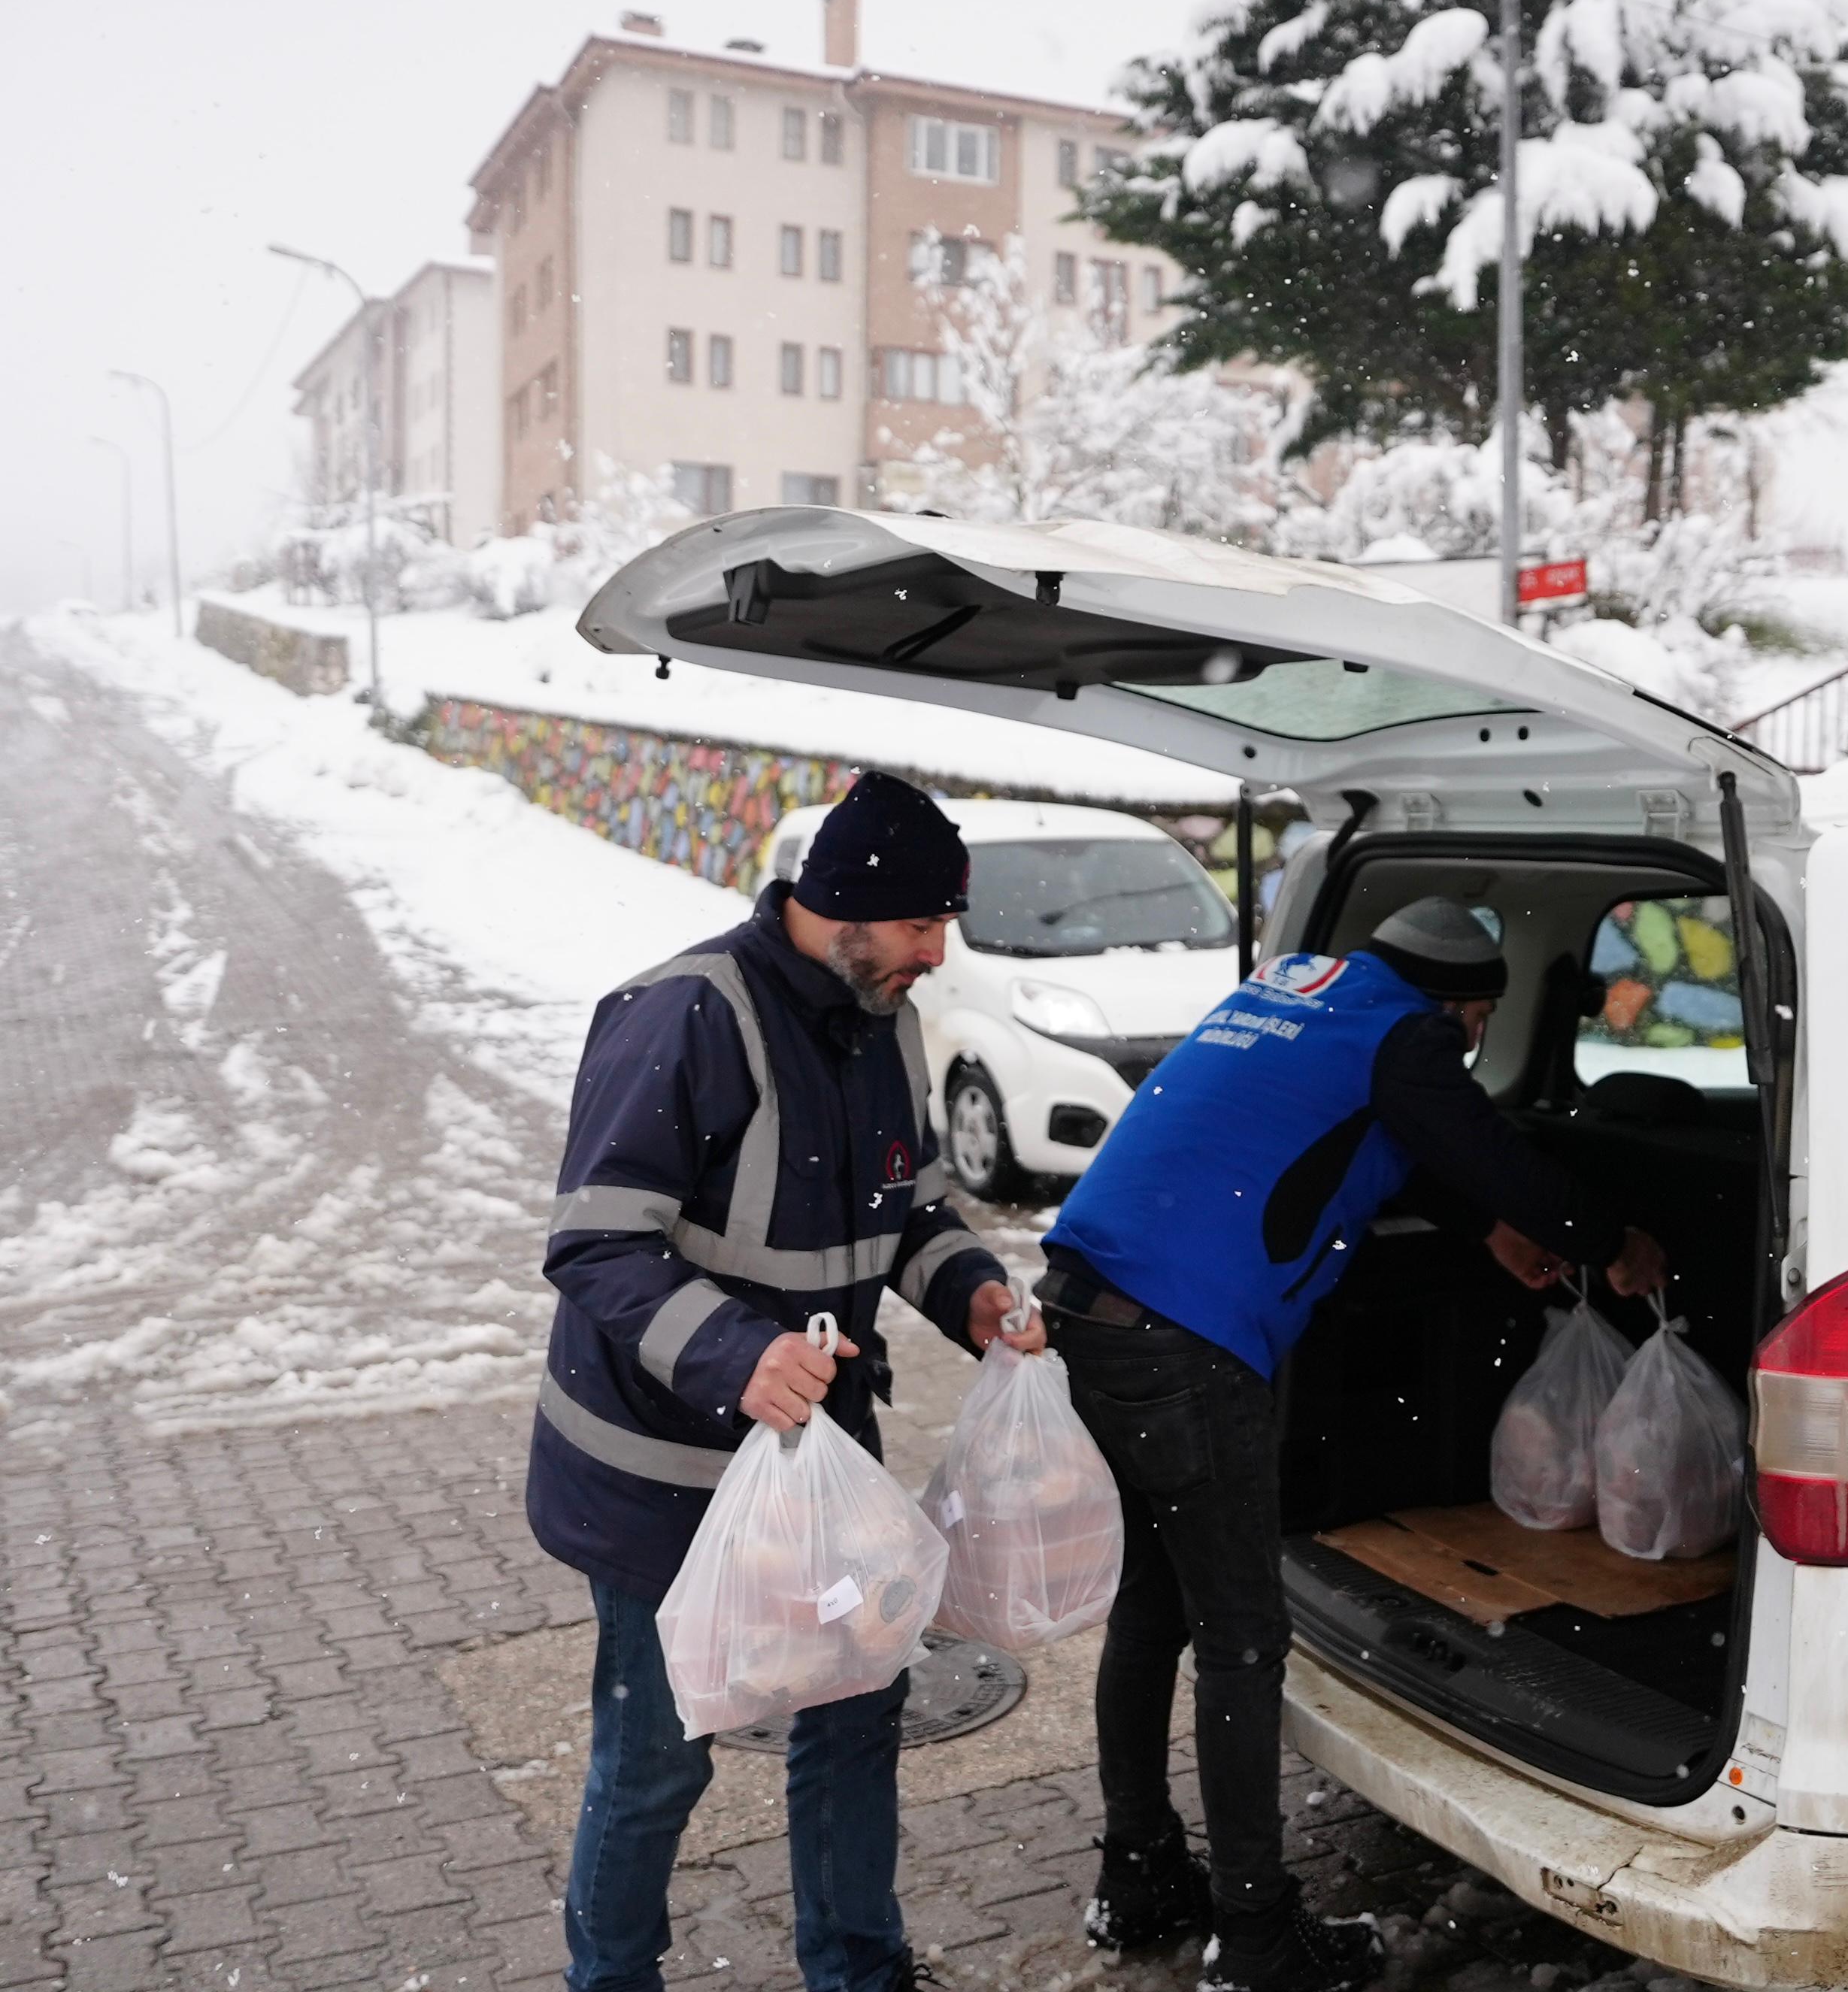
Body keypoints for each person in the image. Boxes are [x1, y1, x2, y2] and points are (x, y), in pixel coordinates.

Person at [1038, 898, 1666, 1992]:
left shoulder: (1292, 994)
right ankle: (1257, 1936)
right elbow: (1482, 1144)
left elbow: (1388, 1134)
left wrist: (1486, 1228)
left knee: (1149, 1607)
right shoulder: (1407, 1035)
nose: (1468, 1043)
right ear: (1460, 1007)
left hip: (1091, 1311)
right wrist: (1606, 1240)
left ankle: (1138, 1872)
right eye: (1473, 1024)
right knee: (1237, 1635)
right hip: (1187, 1343)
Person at [526, 770, 1044, 1992]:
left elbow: (906, 1204)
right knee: (660, 1755)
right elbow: (595, 1240)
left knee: (855, 1720)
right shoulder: (685, 1015)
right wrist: (735, 1352)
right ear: (847, 909)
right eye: (922, 925)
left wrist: (968, 1289)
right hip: (663, 1481)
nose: (936, 951)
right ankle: (612, 1980)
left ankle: (860, 1969)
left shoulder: (885, 1020)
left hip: (821, 1465)